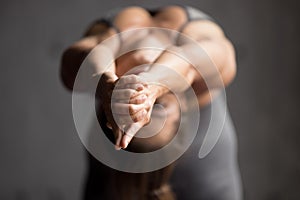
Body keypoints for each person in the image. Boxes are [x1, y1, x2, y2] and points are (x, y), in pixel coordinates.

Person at [60, 5, 243, 200]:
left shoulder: (91, 76)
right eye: (157, 106)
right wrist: (152, 83)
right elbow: (188, 60)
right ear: (181, 113)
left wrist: (106, 85)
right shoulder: (207, 78)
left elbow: (82, 57)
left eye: (131, 111)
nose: (144, 103)